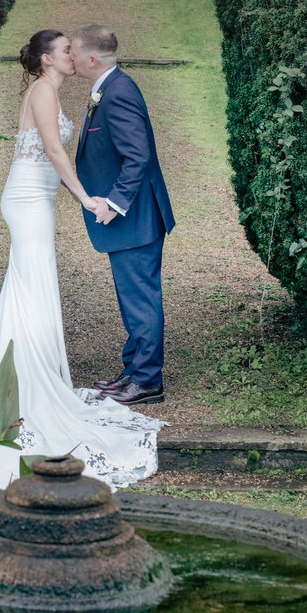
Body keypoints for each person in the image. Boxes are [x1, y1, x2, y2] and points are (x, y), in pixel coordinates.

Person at [0, 29, 163, 489]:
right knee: (32, 286)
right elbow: (54, 152)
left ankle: (21, 376)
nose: (70, 56)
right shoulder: (41, 90)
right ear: (45, 59)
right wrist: (86, 198)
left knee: (30, 287)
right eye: (63, 51)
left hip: (37, 199)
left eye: (72, 50)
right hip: (27, 200)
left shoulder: (53, 91)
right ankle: (24, 384)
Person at [70, 24, 175, 406]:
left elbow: (138, 156)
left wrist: (113, 204)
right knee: (132, 298)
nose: (71, 59)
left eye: (75, 53)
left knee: (141, 299)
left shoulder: (119, 93)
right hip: (132, 220)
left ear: (92, 59)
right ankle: (133, 370)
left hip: (135, 217)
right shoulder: (109, 88)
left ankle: (147, 382)